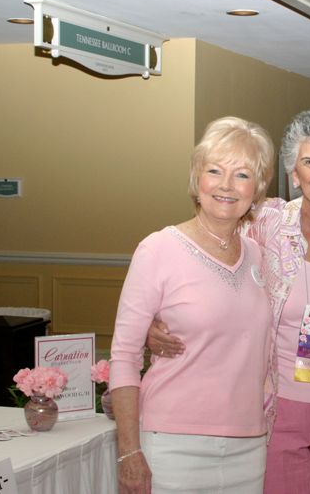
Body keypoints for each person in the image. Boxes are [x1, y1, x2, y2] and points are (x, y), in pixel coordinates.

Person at [148, 107, 310, 494]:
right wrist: (155, 320)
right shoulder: (264, 224)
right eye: (309, 162)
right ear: (294, 175)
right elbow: (207, 263)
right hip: (276, 405)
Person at [109, 116, 275, 494]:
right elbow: (124, 355)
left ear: (258, 188)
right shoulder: (158, 249)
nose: (227, 186)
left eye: (243, 175)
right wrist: (129, 452)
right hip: (171, 444)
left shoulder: (258, 256)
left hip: (248, 444)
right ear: (197, 179)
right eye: (215, 171)